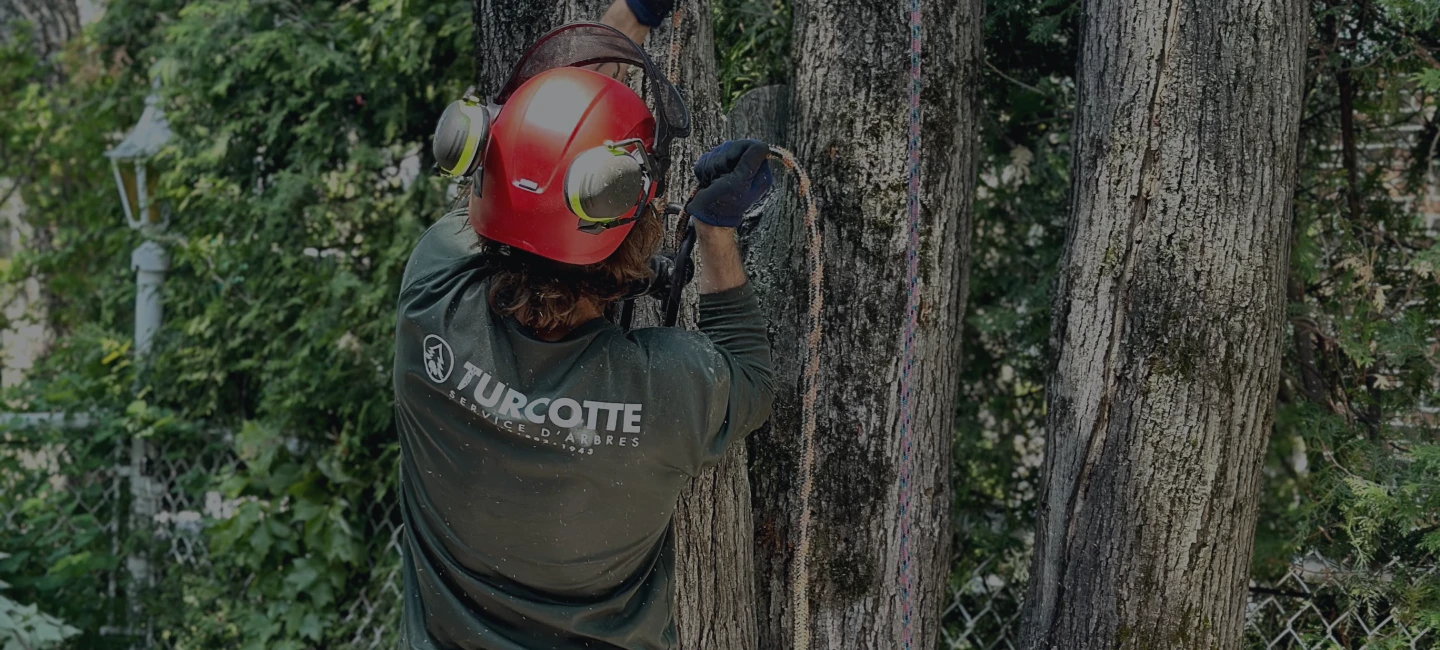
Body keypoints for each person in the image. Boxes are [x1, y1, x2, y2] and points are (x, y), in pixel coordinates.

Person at [391, 0, 776, 648]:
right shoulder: (668, 387)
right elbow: (752, 376)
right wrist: (715, 233)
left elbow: (525, 166)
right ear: (640, 226)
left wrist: (628, 18)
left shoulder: (433, 295)